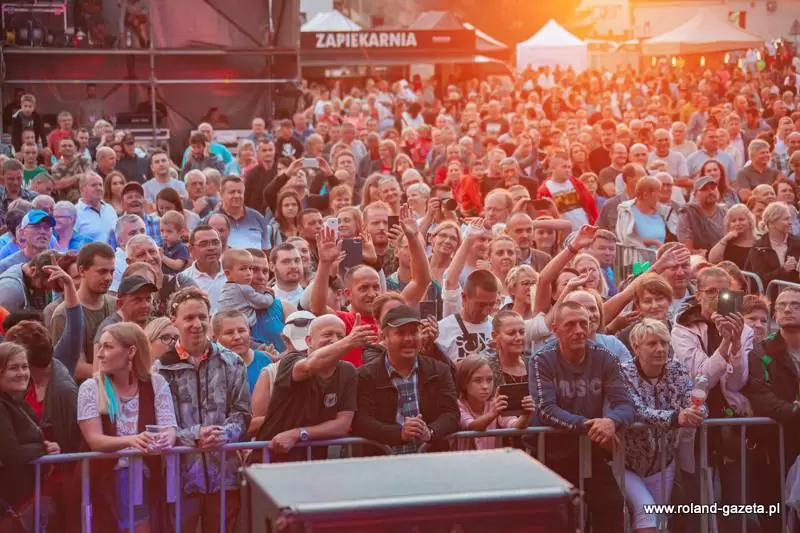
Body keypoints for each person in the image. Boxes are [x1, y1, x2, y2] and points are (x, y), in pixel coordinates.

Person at [529, 300, 634, 533]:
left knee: (611, 504)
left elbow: (626, 404)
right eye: (570, 324)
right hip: (550, 453)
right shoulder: (542, 359)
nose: (578, 330)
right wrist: (590, 426)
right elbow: (545, 409)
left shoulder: (604, 357)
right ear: (555, 329)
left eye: (583, 324)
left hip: (589, 450)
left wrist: (611, 421)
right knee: (558, 516)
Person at [152, 287, 250, 532]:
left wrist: (224, 434)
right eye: (188, 318)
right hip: (181, 477)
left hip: (225, 474)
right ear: (173, 321)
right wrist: (195, 436)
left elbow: (242, 413)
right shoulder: (160, 369)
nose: (196, 324)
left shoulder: (232, 361)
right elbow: (161, 422)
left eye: (202, 317)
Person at [78, 322, 176, 532]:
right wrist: (132, 440)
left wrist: (165, 440)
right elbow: (95, 440)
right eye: (100, 347)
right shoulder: (91, 388)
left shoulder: (156, 383)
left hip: (148, 476)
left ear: (131, 352)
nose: (100, 354)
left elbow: (169, 427)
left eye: (108, 347)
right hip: (105, 479)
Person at [621, 319, 704, 533]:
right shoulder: (624, 372)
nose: (660, 349)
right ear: (636, 347)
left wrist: (696, 413)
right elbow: (636, 410)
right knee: (645, 512)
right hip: (626, 463)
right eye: (652, 343)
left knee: (656, 523)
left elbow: (693, 400)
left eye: (664, 343)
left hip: (663, 464)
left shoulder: (677, 369)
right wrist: (676, 418)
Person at [256, 314, 369, 460]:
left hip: (314, 464)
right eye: (327, 334)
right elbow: (310, 365)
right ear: (309, 341)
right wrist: (348, 341)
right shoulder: (291, 360)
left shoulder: (347, 371)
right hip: (271, 459)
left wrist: (298, 433)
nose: (335, 340)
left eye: (340, 336)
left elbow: (342, 424)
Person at [352, 304, 460, 453]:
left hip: (431, 460)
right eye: (400, 333)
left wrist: (430, 431)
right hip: (382, 461)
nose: (408, 339)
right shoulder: (366, 375)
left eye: (414, 332)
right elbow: (362, 421)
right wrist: (399, 433)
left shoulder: (439, 370)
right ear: (384, 337)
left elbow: (452, 414)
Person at [4, 264, 83, 455]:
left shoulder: (61, 368)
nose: (17, 371)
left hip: (60, 465)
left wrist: (69, 286)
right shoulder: (16, 380)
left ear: (26, 360)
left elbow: (75, 330)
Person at [744, 287, 800, 533]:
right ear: (775, 315)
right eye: (782, 305)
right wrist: (793, 412)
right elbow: (760, 394)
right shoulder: (762, 350)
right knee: (773, 514)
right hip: (774, 446)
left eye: (796, 305)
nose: (788, 309)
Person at [0, 342, 61, 528]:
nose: (22, 373)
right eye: (13, 368)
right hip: (9, 502)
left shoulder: (20, 404)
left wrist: (49, 447)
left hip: (26, 499)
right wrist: (43, 449)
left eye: (25, 367)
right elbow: (11, 453)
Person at [50, 242, 116, 381]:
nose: (109, 278)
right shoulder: (64, 314)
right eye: (102, 272)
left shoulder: (115, 304)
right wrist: (119, 372)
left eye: (111, 272)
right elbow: (75, 368)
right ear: (82, 271)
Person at [455, 354, 533, 451]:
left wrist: (526, 414)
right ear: (464, 383)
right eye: (477, 380)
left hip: (491, 458)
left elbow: (515, 425)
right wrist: (493, 413)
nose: (485, 386)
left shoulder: (494, 403)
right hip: (465, 459)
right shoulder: (458, 406)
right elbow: (473, 426)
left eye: (489, 380)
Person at [438, 268, 499, 362]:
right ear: (464, 297)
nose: (486, 311)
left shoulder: (498, 328)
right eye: (481, 305)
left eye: (491, 304)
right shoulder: (442, 330)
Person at [212, 310, 272, 393]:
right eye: (229, 333)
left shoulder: (264, 361)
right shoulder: (210, 367)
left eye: (241, 331)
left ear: (249, 332)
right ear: (215, 338)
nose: (237, 337)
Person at [537, 151, 598, 229]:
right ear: (552, 168)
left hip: (587, 229)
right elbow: (545, 217)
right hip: (566, 233)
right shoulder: (544, 190)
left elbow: (591, 205)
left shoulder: (576, 182)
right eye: (564, 167)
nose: (568, 170)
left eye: (569, 167)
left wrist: (596, 225)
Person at [746, 201, 800, 286]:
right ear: (771, 223)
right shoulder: (759, 248)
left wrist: (797, 266)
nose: (790, 222)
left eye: (790, 219)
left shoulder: (797, 242)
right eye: (786, 219)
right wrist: (783, 270)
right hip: (771, 293)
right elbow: (759, 280)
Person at [218, 248, 275, 328]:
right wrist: (270, 295)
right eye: (255, 270)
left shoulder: (280, 307)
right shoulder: (243, 289)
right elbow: (263, 301)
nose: (261, 277)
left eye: (250, 268)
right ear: (228, 273)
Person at [94, 273, 157, 340]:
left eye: (148, 299)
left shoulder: (156, 325)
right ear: (120, 304)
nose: (145, 305)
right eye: (137, 300)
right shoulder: (110, 330)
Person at [215, 175, 270, 250]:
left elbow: (266, 249)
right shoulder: (211, 219)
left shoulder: (258, 217)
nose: (237, 195)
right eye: (232, 192)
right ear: (221, 195)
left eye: (240, 192)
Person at [676, 176, 726, 254]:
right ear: (695, 195)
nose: (710, 192)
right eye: (705, 189)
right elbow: (687, 250)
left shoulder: (725, 212)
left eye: (713, 188)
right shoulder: (687, 214)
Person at [182, 224, 226, 313]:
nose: (211, 248)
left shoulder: (235, 273)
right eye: (204, 244)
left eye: (215, 242)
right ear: (191, 249)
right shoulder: (184, 279)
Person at [616, 175, 667, 249]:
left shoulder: (662, 212)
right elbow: (626, 238)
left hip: (660, 255)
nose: (660, 196)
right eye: (658, 192)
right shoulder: (627, 211)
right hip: (636, 256)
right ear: (645, 195)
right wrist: (653, 242)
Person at [708, 204, 757, 270]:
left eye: (741, 219)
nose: (738, 223)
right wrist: (725, 239)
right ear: (729, 224)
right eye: (733, 221)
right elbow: (713, 261)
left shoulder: (759, 241)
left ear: (749, 221)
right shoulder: (726, 243)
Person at [74, 171, 118, 244]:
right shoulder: (74, 213)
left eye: (100, 185)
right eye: (94, 185)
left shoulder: (110, 209)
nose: (98, 188)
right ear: (82, 189)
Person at [159, 210, 189, 275]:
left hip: (176, 278)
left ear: (180, 232)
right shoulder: (162, 246)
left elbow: (178, 266)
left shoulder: (182, 248)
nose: (164, 235)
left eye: (169, 231)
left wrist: (162, 257)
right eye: (162, 231)